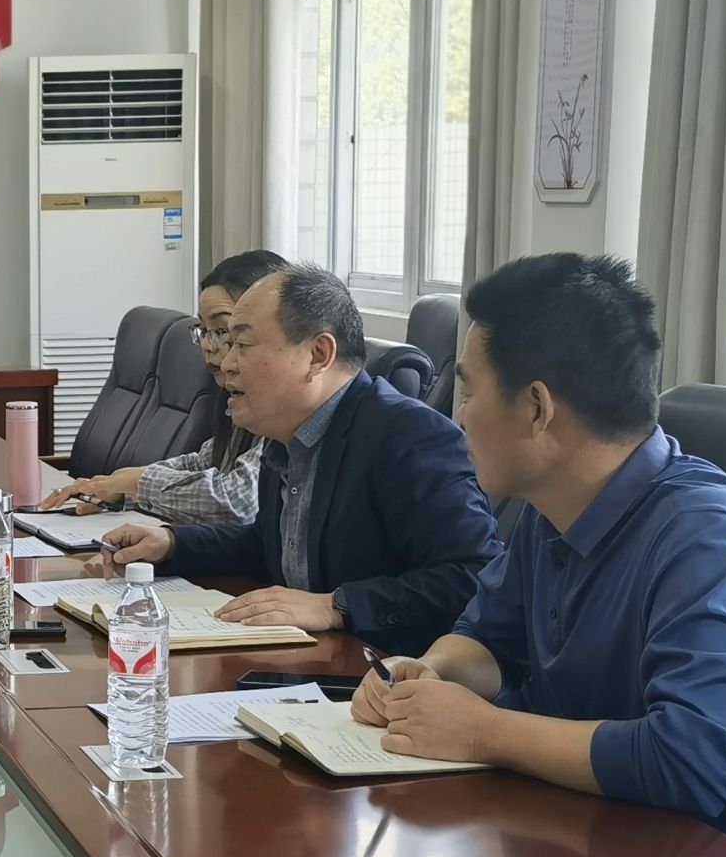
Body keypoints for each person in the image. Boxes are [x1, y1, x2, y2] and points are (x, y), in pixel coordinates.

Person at [352, 254, 726, 857]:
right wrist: (429, 672)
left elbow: (694, 761)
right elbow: (491, 638)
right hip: (578, 831)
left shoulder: (710, 538)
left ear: (537, 408)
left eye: (470, 392)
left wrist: (481, 731)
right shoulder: (552, 505)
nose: (458, 415)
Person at [99, 264, 500, 657]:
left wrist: (336, 606)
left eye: (243, 344)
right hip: (306, 658)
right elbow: (271, 545)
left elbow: (471, 575)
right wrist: (172, 543)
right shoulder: (288, 433)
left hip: (382, 674)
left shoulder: (409, 436)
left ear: (317, 354)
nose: (227, 362)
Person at [39, 249, 287, 524]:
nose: (207, 345)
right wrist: (120, 487)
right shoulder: (237, 397)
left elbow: (239, 501)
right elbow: (204, 463)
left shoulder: (286, 409)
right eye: (204, 330)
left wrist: (140, 484)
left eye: (222, 331)